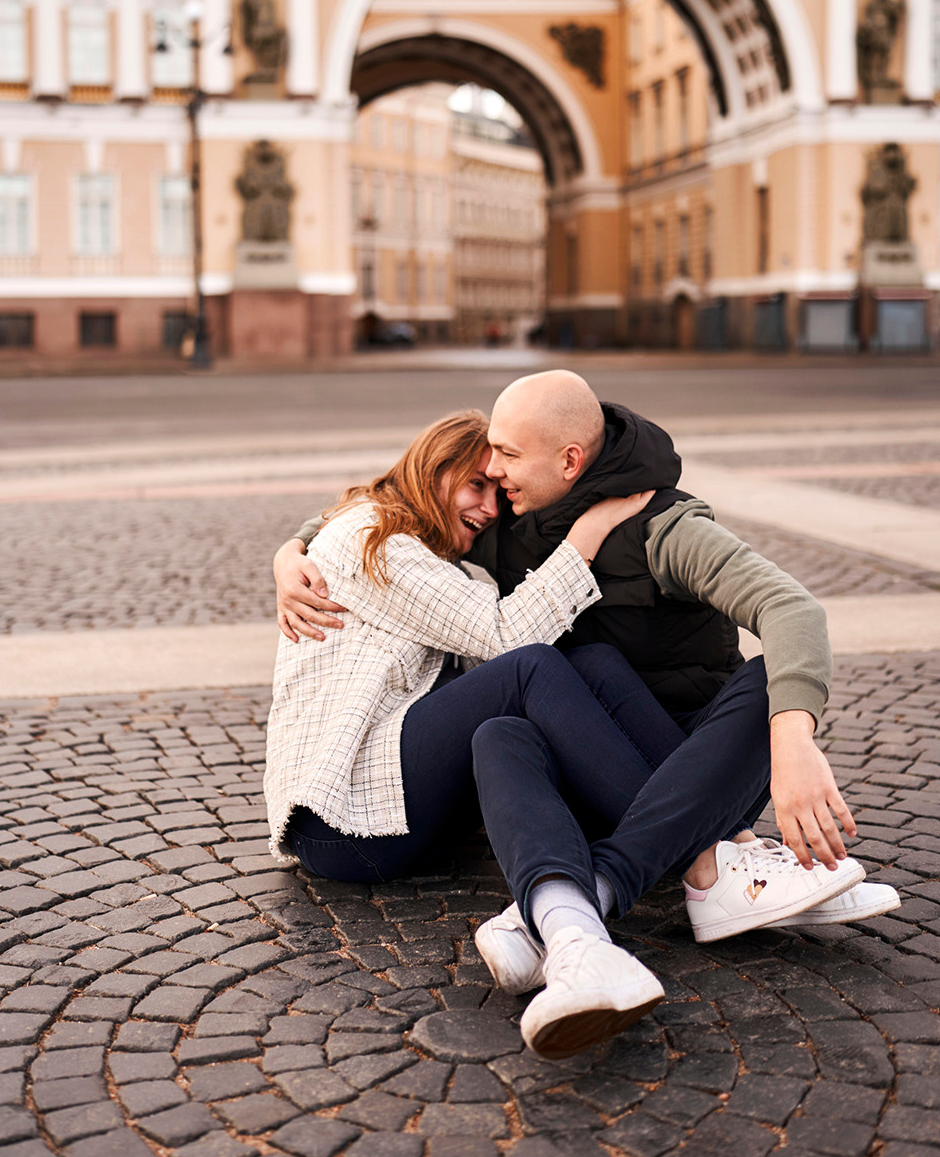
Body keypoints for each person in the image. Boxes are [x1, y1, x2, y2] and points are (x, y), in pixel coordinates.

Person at [265, 407, 876, 1059]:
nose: (490, 507)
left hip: (399, 799)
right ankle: (709, 859)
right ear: (432, 470)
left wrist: (289, 546)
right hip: (341, 823)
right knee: (529, 668)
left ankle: (607, 895)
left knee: (559, 688)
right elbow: (507, 638)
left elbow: (788, 607)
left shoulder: (428, 543)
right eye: (475, 485)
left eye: (498, 490)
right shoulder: (375, 540)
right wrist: (589, 532)